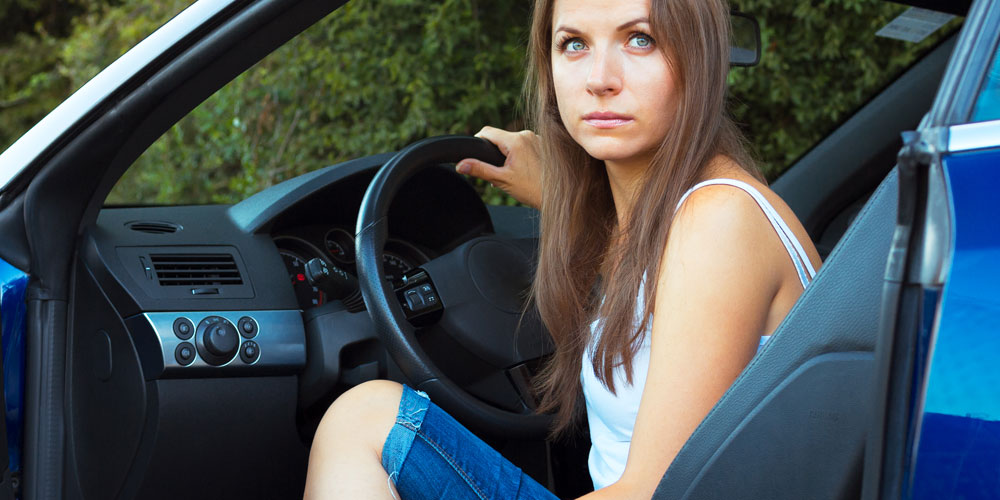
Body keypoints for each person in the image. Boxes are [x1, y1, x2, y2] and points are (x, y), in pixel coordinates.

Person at [303, 0, 822, 498]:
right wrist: (561, 196)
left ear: (701, 55)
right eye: (573, 44)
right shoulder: (660, 219)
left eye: (640, 39)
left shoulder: (717, 222)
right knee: (365, 415)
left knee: (359, 420)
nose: (599, 79)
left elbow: (655, 493)